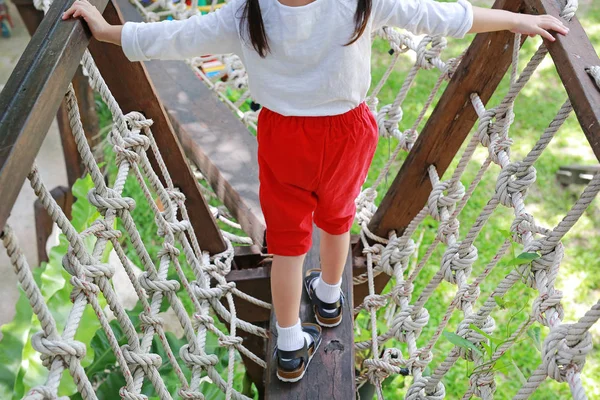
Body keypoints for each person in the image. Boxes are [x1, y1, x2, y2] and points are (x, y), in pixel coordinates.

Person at [62, 0, 568, 383]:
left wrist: (106, 31)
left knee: (286, 245)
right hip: (348, 133)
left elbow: (173, 38)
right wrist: (515, 20)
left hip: (283, 138)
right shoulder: (357, 3)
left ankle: (287, 345)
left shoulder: (246, 13)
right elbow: (438, 16)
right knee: (337, 218)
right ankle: (329, 297)